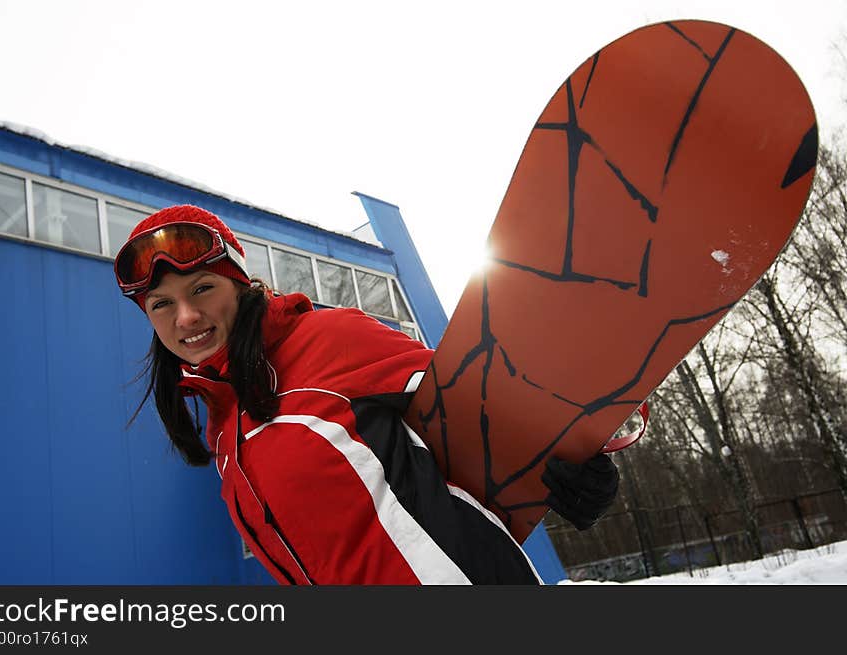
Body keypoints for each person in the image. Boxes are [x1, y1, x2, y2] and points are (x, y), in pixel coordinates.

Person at [114, 204, 619, 585]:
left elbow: (487, 399)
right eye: (161, 305)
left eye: (202, 288)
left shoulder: (327, 340)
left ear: (240, 286)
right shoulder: (226, 432)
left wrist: (571, 458)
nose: (185, 318)